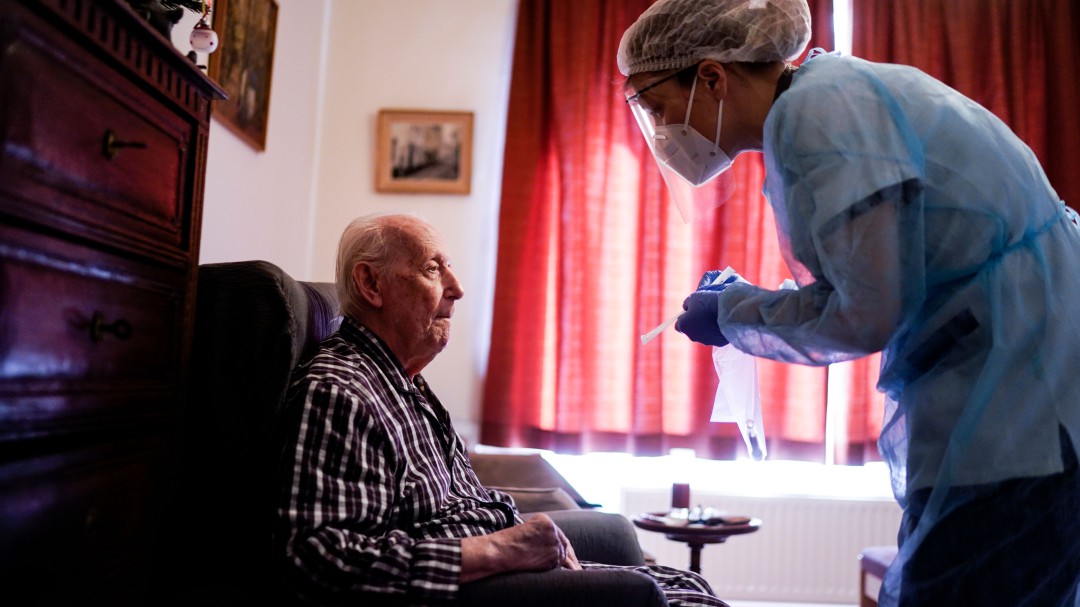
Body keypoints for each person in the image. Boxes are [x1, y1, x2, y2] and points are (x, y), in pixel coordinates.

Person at [617, 1, 1080, 606]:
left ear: (711, 76)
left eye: (657, 107)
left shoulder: (820, 115)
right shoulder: (830, 97)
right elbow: (875, 283)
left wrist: (735, 314)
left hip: (1024, 416)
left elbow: (863, 317)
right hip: (1025, 398)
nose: (660, 131)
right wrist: (748, 306)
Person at [274, 214, 726, 606]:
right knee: (657, 596)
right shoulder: (340, 392)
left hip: (492, 561)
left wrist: (517, 536)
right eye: (433, 269)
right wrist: (501, 550)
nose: (457, 288)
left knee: (683, 582)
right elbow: (319, 560)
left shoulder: (404, 380)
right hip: (460, 591)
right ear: (371, 284)